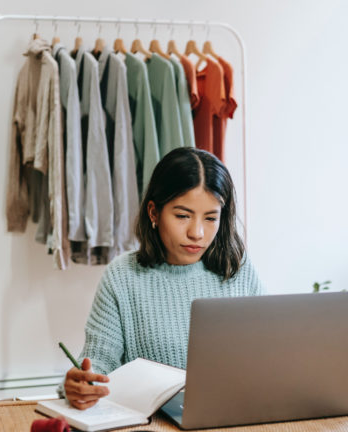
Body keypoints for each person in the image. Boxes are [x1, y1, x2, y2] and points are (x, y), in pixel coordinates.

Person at [62, 147, 264, 410]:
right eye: (182, 216)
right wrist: (81, 386)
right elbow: (97, 365)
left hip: (235, 416)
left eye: (211, 218)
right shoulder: (122, 277)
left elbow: (266, 356)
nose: (197, 233)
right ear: (154, 213)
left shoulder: (238, 269)